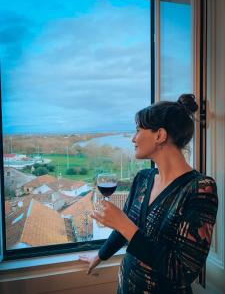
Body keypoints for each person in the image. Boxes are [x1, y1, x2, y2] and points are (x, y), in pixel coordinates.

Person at [79, 94, 218, 294]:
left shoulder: (200, 189)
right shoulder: (143, 178)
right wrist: (99, 256)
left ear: (160, 135)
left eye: (138, 130)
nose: (133, 139)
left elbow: (183, 272)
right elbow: (124, 228)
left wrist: (123, 224)